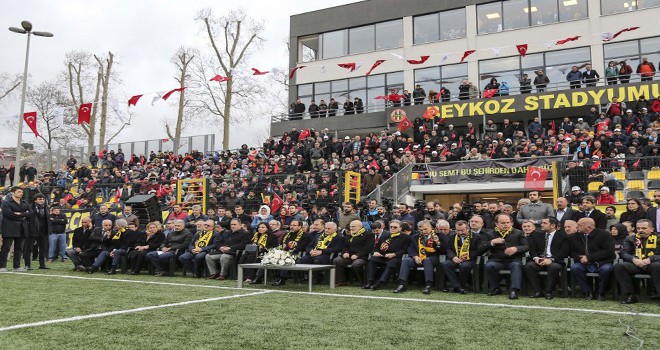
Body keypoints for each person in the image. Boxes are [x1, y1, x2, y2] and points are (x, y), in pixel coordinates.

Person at [481, 214, 528, 299]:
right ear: (496, 224)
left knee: (516, 265)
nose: (506, 224)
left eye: (508, 222)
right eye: (503, 223)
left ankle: (514, 290)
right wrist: (491, 242)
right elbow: (481, 248)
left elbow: (526, 246)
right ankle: (495, 288)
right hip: (497, 260)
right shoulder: (490, 234)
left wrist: (516, 248)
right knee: (489, 265)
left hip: (513, 259)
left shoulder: (518, 232)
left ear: (511, 223)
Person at [614, 219, 660, 304]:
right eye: (638, 228)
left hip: (653, 264)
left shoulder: (658, 238)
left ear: (651, 229)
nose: (640, 230)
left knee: (657, 266)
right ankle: (631, 295)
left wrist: (650, 259)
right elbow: (623, 252)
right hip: (636, 264)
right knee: (619, 266)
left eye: (644, 228)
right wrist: (633, 259)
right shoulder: (630, 238)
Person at [570, 218, 616, 300]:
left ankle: (601, 292)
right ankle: (587, 291)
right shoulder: (575, 236)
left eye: (579, 225)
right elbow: (572, 251)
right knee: (575, 268)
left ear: (588, 227)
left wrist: (589, 257)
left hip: (603, 262)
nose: (577, 227)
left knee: (606, 269)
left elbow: (609, 251)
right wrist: (580, 258)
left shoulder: (604, 235)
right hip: (583, 262)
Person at [523, 217, 569, 299]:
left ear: (552, 225)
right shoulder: (537, 235)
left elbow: (564, 252)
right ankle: (537, 291)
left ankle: (548, 292)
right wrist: (536, 258)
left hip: (555, 260)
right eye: (542, 223)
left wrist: (551, 259)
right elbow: (533, 250)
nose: (541, 224)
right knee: (528, 266)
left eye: (544, 223)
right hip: (540, 260)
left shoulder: (563, 236)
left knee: (553, 267)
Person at [394, 220, 443, 294]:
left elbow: (444, 249)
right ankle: (402, 284)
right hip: (418, 258)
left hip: (433, 258)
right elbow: (410, 248)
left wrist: (437, 243)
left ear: (430, 227)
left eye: (425, 229)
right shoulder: (415, 237)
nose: (423, 231)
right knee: (406, 260)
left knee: (427, 260)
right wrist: (415, 256)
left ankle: (428, 285)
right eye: (421, 230)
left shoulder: (439, 235)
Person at [364, 220, 410, 290]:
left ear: (400, 228)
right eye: (391, 227)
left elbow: (404, 249)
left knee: (391, 263)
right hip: (383, 256)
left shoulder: (405, 237)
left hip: (396, 258)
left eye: (395, 227)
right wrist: (376, 252)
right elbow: (377, 246)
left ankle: (380, 282)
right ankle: (370, 281)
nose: (392, 228)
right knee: (373, 259)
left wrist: (394, 254)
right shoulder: (385, 235)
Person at [441, 220, 483, 293]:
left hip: (469, 259)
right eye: (458, 230)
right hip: (455, 258)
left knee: (464, 266)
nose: (460, 233)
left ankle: (460, 286)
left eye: (462, 230)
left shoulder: (477, 237)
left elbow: (478, 251)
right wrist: (453, 257)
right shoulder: (452, 237)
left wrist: (466, 256)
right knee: (446, 264)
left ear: (468, 229)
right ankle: (458, 286)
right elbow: (448, 249)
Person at [0, 187, 33, 272]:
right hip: (9, 228)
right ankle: (2, 266)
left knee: (19, 248)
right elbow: (9, 214)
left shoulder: (25, 203)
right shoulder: (6, 202)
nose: (21, 193)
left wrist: (20, 213)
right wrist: (24, 215)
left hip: (22, 228)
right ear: (13, 193)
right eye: (19, 192)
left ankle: (17, 266)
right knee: (6, 248)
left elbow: (31, 214)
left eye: (22, 192)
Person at [270, 219, 312, 286]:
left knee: (286, 259)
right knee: (274, 256)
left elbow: (300, 247)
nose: (292, 227)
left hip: (296, 254)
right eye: (291, 225)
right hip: (284, 252)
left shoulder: (305, 236)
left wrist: (287, 250)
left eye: (294, 225)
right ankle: (263, 277)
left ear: (300, 226)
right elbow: (281, 244)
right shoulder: (286, 234)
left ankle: (282, 279)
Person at [334, 220, 373, 287]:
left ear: (360, 227)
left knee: (356, 264)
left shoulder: (369, 235)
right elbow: (345, 247)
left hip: (362, 256)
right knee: (337, 260)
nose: (351, 228)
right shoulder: (349, 235)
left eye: (353, 227)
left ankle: (363, 282)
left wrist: (357, 255)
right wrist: (345, 253)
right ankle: (342, 281)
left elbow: (368, 248)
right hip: (349, 256)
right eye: (351, 226)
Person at [27, 194, 50, 270]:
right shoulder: (30, 207)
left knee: (43, 248)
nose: (42, 200)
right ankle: (28, 265)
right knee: (29, 248)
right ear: (35, 200)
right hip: (32, 230)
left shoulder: (46, 207)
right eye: (40, 199)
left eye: (43, 199)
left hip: (43, 231)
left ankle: (42, 265)